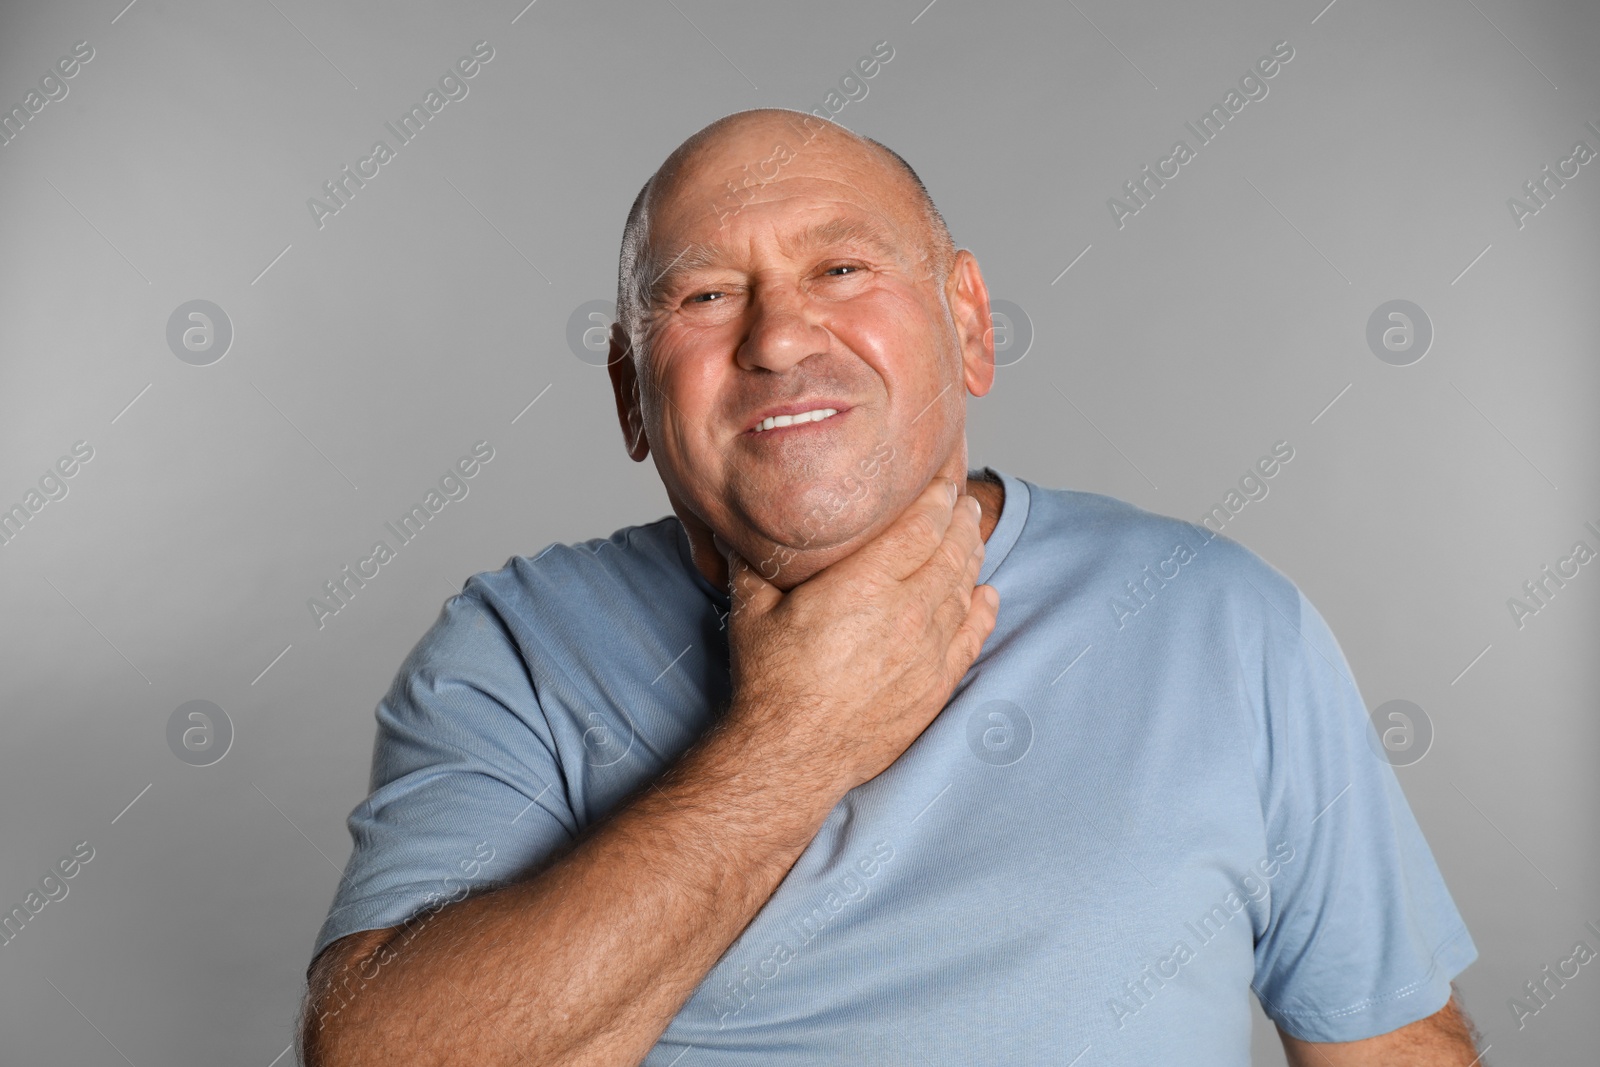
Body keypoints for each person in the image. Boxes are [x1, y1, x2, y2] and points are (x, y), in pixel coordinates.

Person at [299, 108, 1484, 1066]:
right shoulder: (515, 647)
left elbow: (1388, 1045)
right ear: (628, 391)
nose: (776, 337)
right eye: (703, 294)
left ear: (968, 321)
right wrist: (798, 736)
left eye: (842, 267)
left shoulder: (1218, 617)